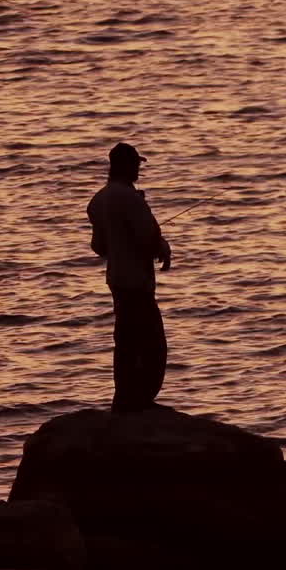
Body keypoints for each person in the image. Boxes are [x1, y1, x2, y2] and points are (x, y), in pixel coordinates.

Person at [87, 142, 172, 412]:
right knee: (152, 343)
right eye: (136, 163)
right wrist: (164, 249)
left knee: (125, 340)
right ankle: (141, 400)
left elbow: (99, 247)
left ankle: (124, 397)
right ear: (124, 165)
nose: (138, 168)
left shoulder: (99, 200)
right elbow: (149, 237)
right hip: (137, 282)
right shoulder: (130, 198)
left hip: (116, 280)